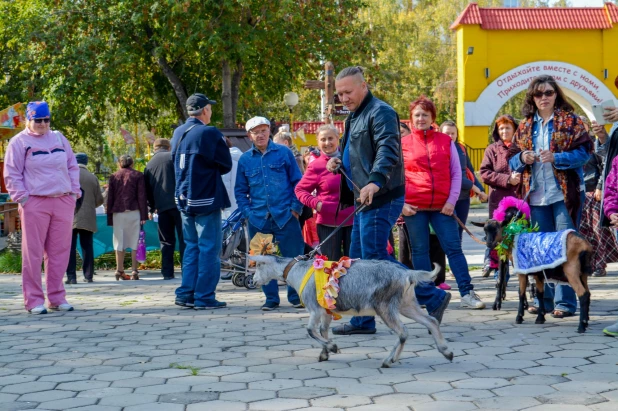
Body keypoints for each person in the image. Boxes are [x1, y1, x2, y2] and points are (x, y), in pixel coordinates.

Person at [325, 67, 451, 335]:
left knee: (376, 259)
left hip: (380, 195)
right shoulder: (355, 115)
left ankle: (433, 296)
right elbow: (358, 151)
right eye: (339, 94)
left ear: (364, 85)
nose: (343, 98)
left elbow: (388, 150)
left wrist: (375, 180)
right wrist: (340, 160)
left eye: (348, 92)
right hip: (363, 197)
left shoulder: (380, 111)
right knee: (358, 263)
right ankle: (363, 320)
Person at [508, 75, 591, 319]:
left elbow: (585, 153)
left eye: (549, 93)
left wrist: (558, 158)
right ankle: (543, 300)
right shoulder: (524, 125)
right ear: (531, 98)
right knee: (540, 250)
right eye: (538, 93)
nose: (543, 97)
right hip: (535, 197)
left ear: (557, 95)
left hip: (564, 194)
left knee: (565, 248)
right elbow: (512, 157)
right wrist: (523, 158)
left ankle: (565, 303)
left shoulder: (571, 121)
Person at [401, 96, 485, 310]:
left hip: (443, 207)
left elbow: (457, 174)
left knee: (453, 249)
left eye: (425, 115)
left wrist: (451, 201)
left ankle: (467, 292)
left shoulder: (446, 142)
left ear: (432, 118)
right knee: (419, 251)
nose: (421, 118)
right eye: (417, 115)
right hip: (414, 208)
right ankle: (426, 295)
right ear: (411, 118)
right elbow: (397, 177)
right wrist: (402, 204)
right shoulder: (403, 144)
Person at [4, 101, 80, 314]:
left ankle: (57, 297)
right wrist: (23, 198)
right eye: (38, 120)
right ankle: (34, 300)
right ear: (29, 120)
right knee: (33, 253)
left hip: (63, 201)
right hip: (34, 202)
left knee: (60, 252)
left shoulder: (59, 138)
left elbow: (72, 166)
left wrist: (74, 192)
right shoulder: (19, 142)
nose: (43, 124)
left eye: (46, 120)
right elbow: (12, 173)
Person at [235, 116, 304, 311]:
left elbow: (298, 183)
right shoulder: (245, 160)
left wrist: (295, 209)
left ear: (269, 132)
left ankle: (296, 297)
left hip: (286, 216)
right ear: (250, 136)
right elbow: (240, 191)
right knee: (264, 260)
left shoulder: (284, 153)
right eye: (256, 132)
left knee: (294, 259)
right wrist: (248, 213)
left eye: (264, 130)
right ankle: (271, 299)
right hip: (258, 219)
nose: (260, 135)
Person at [172, 93, 232, 309]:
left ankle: (186, 293)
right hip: (206, 198)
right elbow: (226, 165)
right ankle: (204, 296)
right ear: (205, 110)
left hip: (184, 198)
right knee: (208, 248)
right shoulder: (209, 133)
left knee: (191, 247)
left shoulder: (178, 132)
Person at [295, 124, 354, 260]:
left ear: (338, 138)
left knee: (354, 263)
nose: (327, 143)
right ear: (318, 142)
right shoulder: (316, 165)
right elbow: (300, 190)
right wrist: (317, 204)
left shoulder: (350, 159)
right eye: (323, 139)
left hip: (353, 220)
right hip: (328, 222)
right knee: (331, 264)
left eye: (330, 138)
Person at [479, 115, 520, 280]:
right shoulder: (492, 149)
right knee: (497, 235)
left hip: (518, 199)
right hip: (498, 201)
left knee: (517, 234)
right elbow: (484, 173)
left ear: (514, 130)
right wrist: (507, 179)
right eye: (501, 128)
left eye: (507, 128)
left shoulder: (522, 148)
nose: (504, 131)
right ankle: (499, 272)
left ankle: (521, 268)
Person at [579, 117, 618, 278]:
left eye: (582, 125)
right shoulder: (567, 146)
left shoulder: (591, 144)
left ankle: (600, 264)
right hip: (579, 194)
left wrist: (599, 187)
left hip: (594, 193)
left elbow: (604, 165)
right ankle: (585, 264)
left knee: (598, 232)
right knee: (582, 233)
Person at [144, 138, 185, 280]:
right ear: (169, 147)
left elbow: (147, 190)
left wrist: (151, 207)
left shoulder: (149, 165)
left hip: (162, 208)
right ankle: (187, 270)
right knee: (184, 238)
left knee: (166, 241)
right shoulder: (173, 157)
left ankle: (167, 272)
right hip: (180, 205)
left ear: (155, 149)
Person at [440, 120, 488, 240]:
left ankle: (456, 257)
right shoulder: (439, 150)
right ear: (440, 133)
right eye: (447, 133)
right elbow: (455, 176)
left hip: (463, 198)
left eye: (453, 133)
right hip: (447, 198)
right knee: (448, 233)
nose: (450, 136)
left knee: (459, 232)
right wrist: (475, 188)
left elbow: (469, 171)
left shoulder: (461, 148)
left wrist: (481, 190)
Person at [107, 155, 148, 281]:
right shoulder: (138, 175)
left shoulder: (114, 176)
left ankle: (119, 270)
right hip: (134, 211)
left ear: (119, 163)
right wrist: (144, 215)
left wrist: (109, 217)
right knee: (135, 240)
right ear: (132, 163)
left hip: (118, 213)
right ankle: (134, 270)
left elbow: (110, 198)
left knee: (119, 241)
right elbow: (142, 196)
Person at [66, 153, 104, 284]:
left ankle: (71, 277)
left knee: (69, 247)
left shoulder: (68, 175)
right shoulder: (92, 178)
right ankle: (88, 276)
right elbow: (99, 199)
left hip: (69, 215)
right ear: (86, 162)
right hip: (88, 216)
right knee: (87, 246)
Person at [221, 137, 243, 220]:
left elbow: (226, 184)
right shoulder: (239, 158)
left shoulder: (225, 160)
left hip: (228, 206)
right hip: (239, 202)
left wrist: (222, 204)